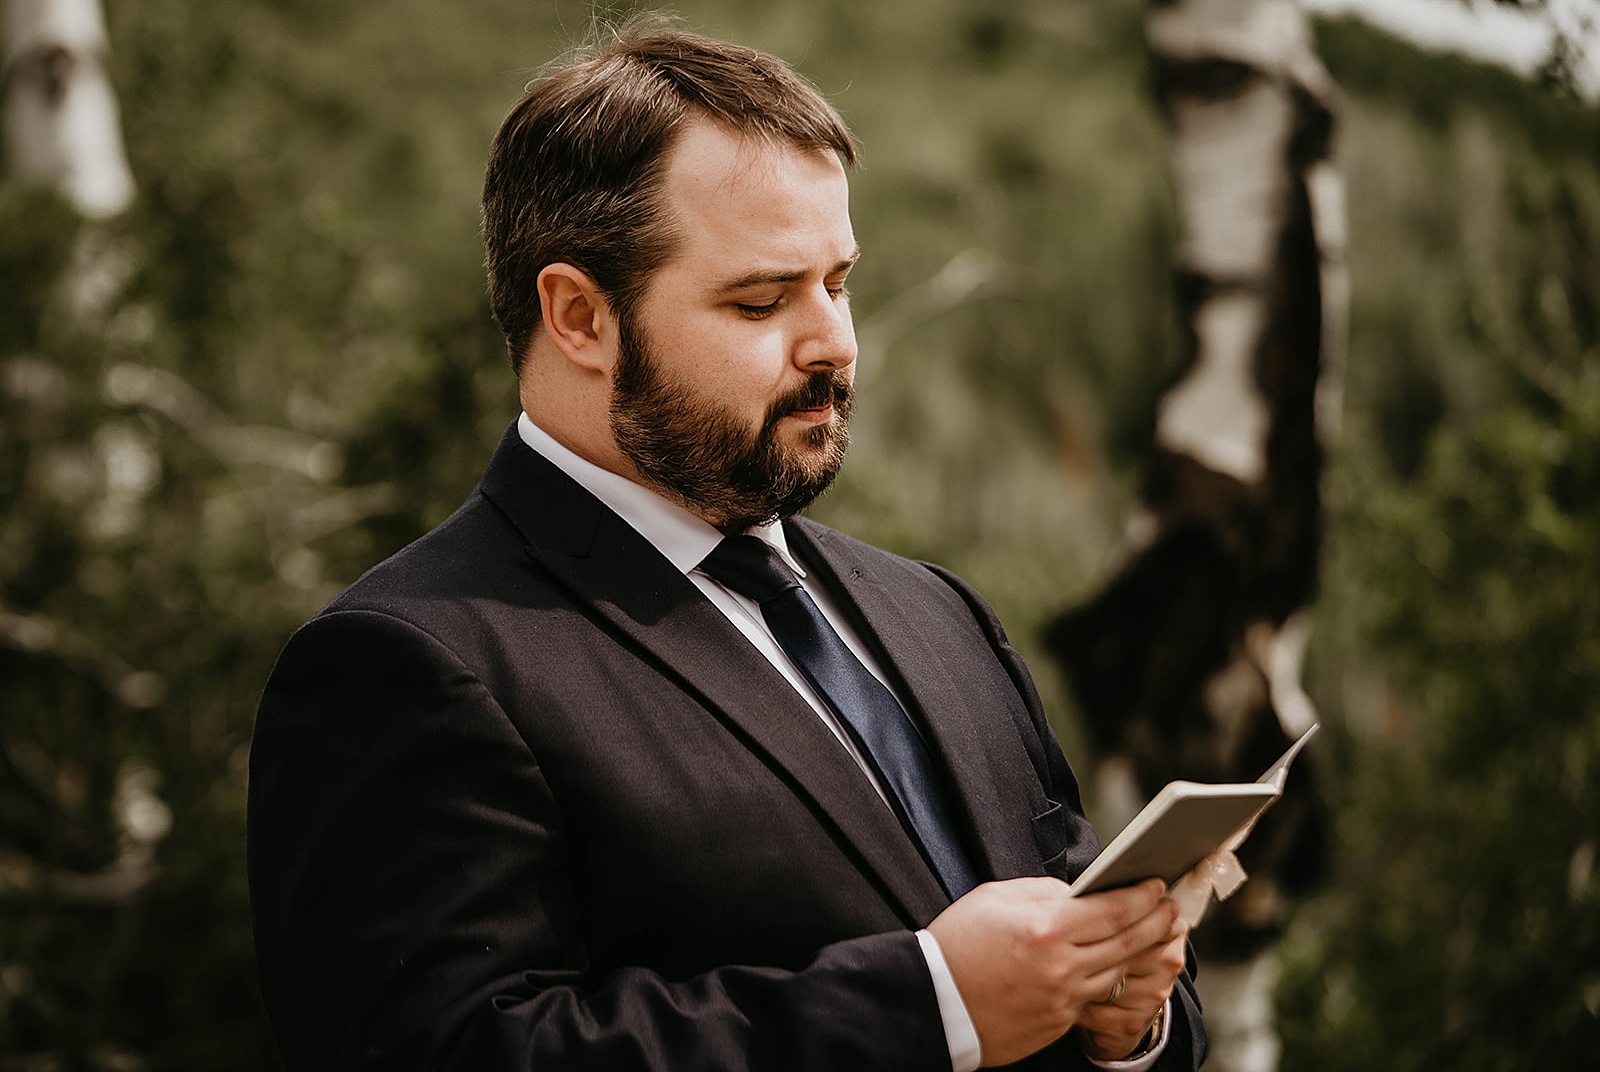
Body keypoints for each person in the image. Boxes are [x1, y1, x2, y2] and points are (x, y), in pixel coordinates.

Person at [247, 21, 1206, 1072]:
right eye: (761, 299)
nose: (834, 341)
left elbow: (1080, 950)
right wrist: (927, 1006)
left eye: (837, 283)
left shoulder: (938, 613)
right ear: (579, 316)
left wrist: (1131, 1024)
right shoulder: (409, 662)